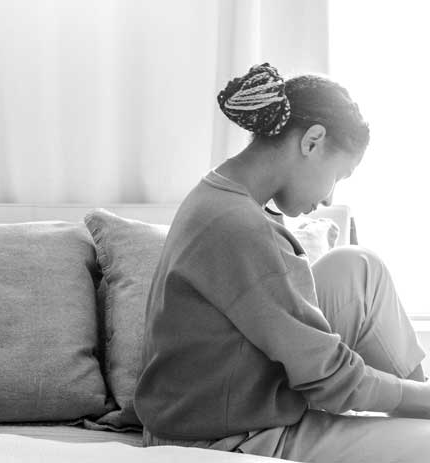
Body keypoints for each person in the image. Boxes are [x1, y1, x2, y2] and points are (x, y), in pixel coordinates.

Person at [134, 63, 430, 462]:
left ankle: (424, 404)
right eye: (338, 176)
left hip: (226, 394)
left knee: (358, 269)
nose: (328, 200)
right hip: (226, 436)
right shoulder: (241, 227)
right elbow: (335, 380)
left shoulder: (219, 192)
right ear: (312, 141)